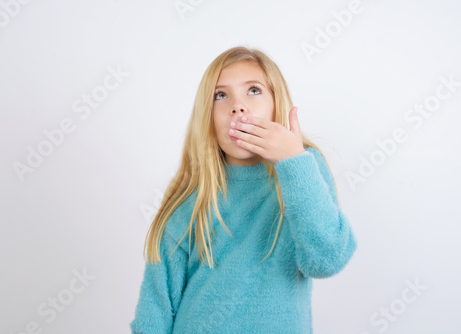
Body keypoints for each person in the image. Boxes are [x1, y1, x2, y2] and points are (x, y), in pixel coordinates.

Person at [130, 46, 357, 333]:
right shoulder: (193, 192)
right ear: (208, 118)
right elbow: (156, 306)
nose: (238, 106)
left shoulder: (304, 168)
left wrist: (294, 162)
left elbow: (327, 260)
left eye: (253, 90)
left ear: (277, 104)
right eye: (221, 95)